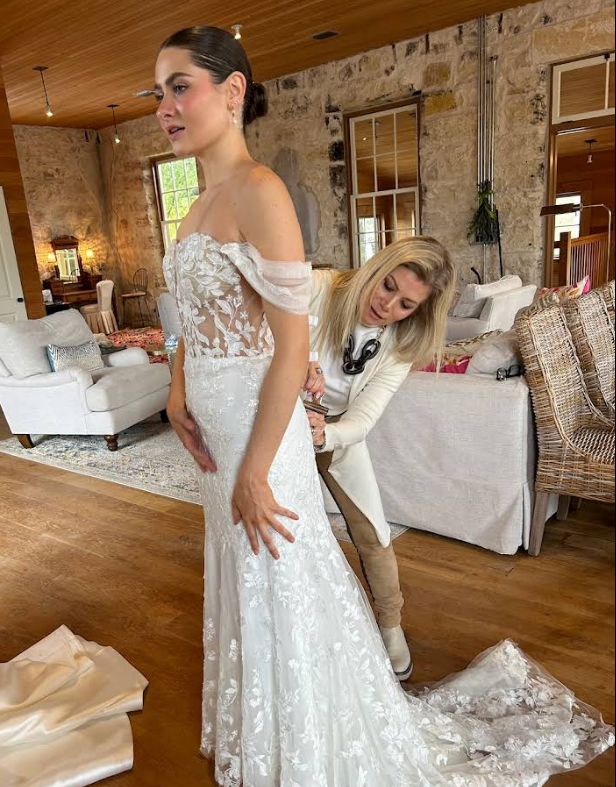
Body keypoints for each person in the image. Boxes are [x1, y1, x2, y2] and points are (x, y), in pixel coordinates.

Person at [158, 26, 613, 787]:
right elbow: (210, 326)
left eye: (181, 87)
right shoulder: (210, 215)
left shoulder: (260, 192)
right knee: (250, 573)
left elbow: (305, 370)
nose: (165, 106)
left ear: (231, 92)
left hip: (285, 440)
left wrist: (267, 462)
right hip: (232, 427)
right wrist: (177, 388)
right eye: (159, 90)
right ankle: (272, 721)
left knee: (331, 556)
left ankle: (364, 679)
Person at [302, 237, 453, 681]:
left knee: (373, 531)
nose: (387, 306)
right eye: (387, 286)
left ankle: (390, 628)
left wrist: (326, 432)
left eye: (405, 304)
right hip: (278, 418)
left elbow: (364, 418)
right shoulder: (319, 288)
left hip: (339, 430)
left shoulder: (402, 344)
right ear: (376, 267)